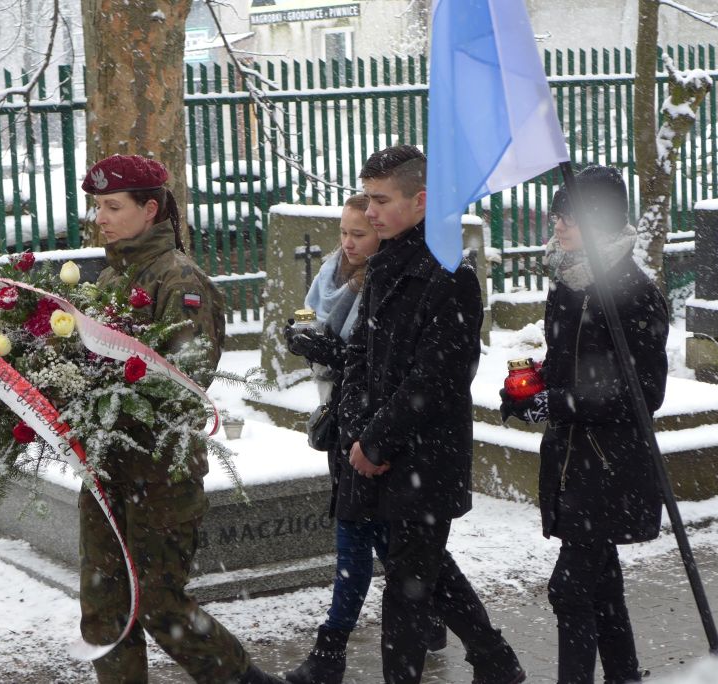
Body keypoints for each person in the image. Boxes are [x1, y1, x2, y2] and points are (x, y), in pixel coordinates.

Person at [79, 154, 284, 684]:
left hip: (159, 471)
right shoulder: (113, 275)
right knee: (104, 607)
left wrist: (103, 391)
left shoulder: (179, 280)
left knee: (160, 605)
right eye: (98, 206)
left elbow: (184, 378)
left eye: (112, 206)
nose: (100, 218)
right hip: (106, 466)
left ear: (150, 209)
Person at [337, 144, 525, 684]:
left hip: (425, 457)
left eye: (381, 200)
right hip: (380, 450)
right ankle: (494, 659)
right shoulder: (385, 264)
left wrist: (377, 442)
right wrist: (358, 432)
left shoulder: (450, 277)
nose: (370, 211)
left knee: (407, 587)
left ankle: (456, 667)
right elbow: (360, 357)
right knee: (425, 569)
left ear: (420, 201)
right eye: (368, 198)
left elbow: (436, 380)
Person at [500, 165, 669, 684]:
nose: (559, 224)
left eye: (571, 215)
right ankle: (623, 675)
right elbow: (568, 368)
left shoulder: (633, 292)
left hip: (610, 464)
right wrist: (528, 389)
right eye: (557, 214)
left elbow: (643, 392)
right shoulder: (568, 280)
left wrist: (557, 403)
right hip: (573, 460)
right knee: (602, 587)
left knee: (570, 589)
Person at [283, 195, 447, 684]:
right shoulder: (331, 275)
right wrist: (300, 337)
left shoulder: (387, 281)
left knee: (358, 536)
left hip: (372, 431)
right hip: (343, 423)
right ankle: (445, 622)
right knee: (390, 542)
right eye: (344, 232)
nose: (348, 243)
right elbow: (320, 323)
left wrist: (329, 351)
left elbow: (376, 362)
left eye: (359, 234)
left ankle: (329, 651)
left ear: (382, 235)